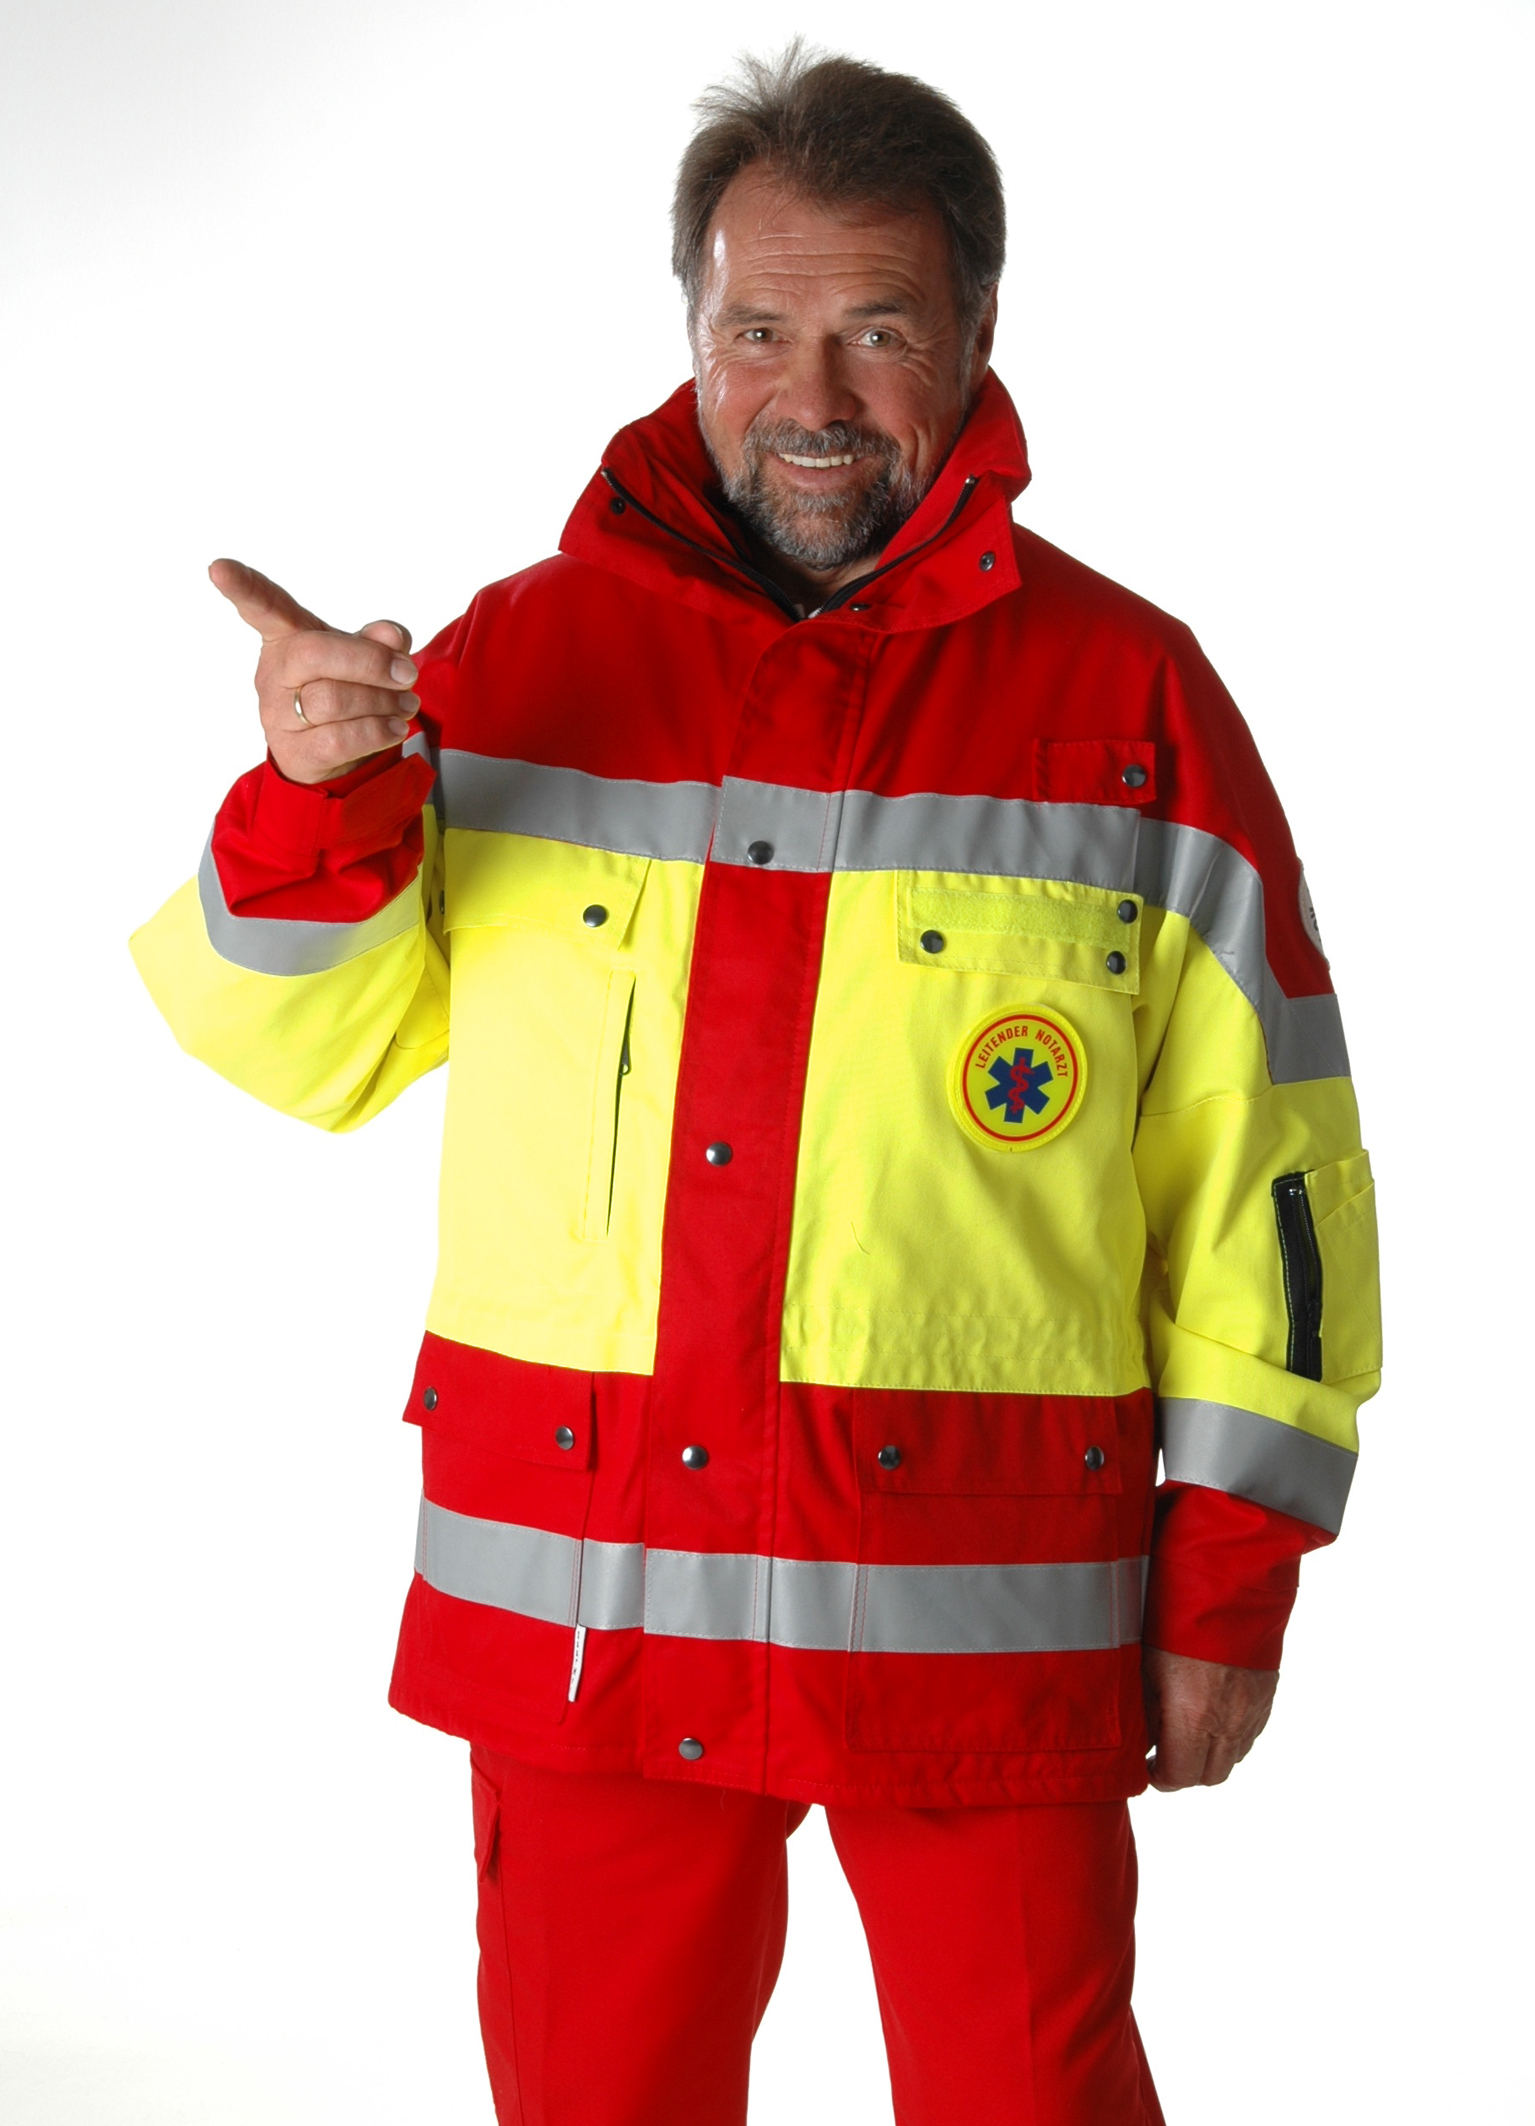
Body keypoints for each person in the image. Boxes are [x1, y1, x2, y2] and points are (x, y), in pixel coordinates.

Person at [132, 44, 1381, 2126]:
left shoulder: (1134, 700)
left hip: (981, 1611)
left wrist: (1232, 1579)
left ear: (979, 328)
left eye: (879, 330)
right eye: (755, 330)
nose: (811, 394)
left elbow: (1277, 1181)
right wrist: (308, 798)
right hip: (589, 1615)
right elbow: (296, 1046)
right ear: (692, 332)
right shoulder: (516, 664)